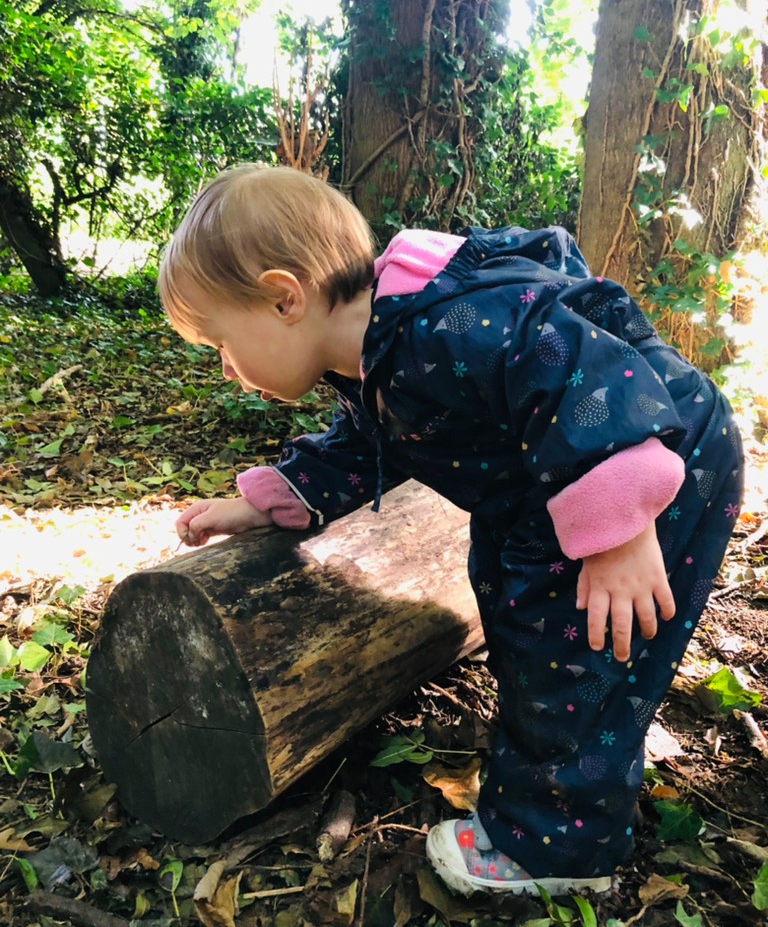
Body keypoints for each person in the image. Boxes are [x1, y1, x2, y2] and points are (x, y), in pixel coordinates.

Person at [158, 164, 744, 898]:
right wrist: (278, 495)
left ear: (284, 298)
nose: (227, 369)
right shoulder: (376, 351)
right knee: (516, 609)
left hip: (653, 461)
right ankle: (574, 781)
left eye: (220, 342)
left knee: (572, 653)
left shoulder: (448, 323)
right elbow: (367, 439)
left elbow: (577, 368)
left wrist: (623, 529)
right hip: (546, 489)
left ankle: (558, 852)